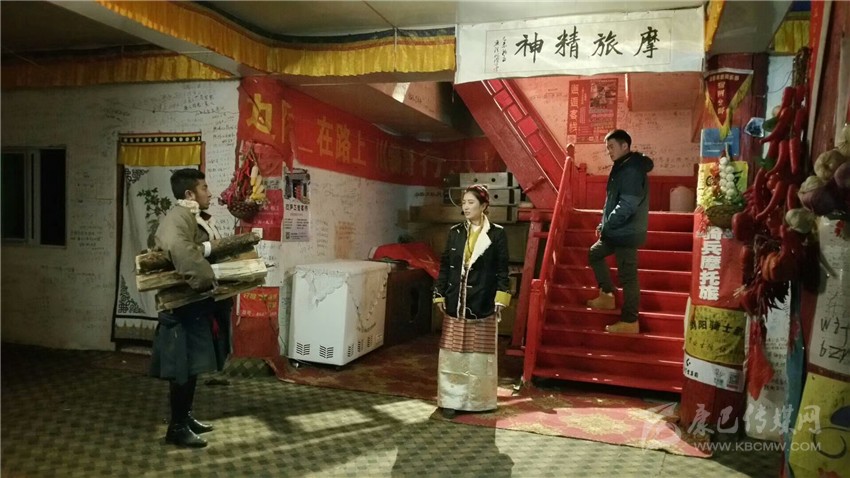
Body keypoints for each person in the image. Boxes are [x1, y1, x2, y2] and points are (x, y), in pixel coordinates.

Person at [149, 168, 232, 448]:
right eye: (204, 187)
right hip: (180, 309)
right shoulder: (177, 218)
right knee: (182, 370)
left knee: (192, 367)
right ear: (189, 194)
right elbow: (180, 249)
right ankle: (177, 427)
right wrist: (207, 281)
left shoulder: (192, 216)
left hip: (194, 307)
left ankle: (185, 417)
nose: (209, 193)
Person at [433, 184, 511, 419]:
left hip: (483, 300)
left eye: (471, 202)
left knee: (479, 356)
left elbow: (502, 269)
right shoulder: (455, 232)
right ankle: (450, 401)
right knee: (453, 354)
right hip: (456, 300)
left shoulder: (497, 233)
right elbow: (445, 265)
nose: (466, 207)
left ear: (484, 205)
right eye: (464, 202)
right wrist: (439, 293)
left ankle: (479, 401)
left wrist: (501, 296)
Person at [587, 129, 654, 334]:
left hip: (627, 233)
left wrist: (608, 224)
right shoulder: (622, 166)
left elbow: (627, 205)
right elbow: (611, 201)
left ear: (625, 146)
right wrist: (604, 224)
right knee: (595, 253)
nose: (609, 151)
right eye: (607, 148)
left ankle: (630, 321)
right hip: (616, 231)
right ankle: (607, 295)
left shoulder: (632, 169)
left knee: (628, 278)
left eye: (611, 147)